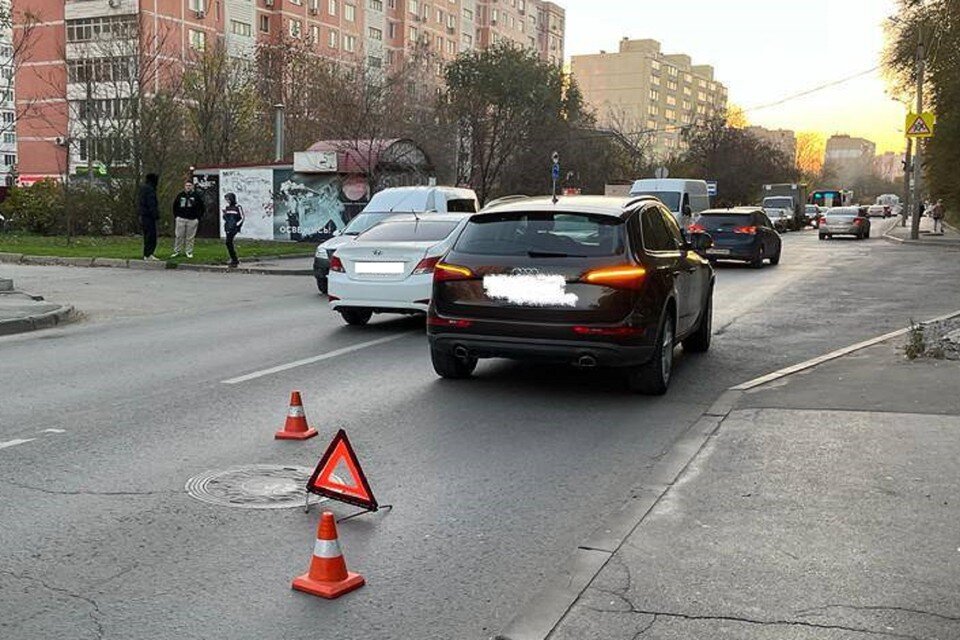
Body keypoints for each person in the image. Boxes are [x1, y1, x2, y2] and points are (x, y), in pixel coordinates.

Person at [171, 180, 205, 258]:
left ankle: (189, 251)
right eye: (187, 185)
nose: (188, 187)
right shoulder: (180, 195)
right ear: (184, 186)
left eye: (190, 185)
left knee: (190, 237)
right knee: (179, 236)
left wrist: (198, 217)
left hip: (192, 219)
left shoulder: (196, 196)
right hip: (181, 219)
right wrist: (177, 216)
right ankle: (177, 251)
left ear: (192, 186)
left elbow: (202, 207)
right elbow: (175, 206)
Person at [138, 173, 160, 260]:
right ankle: (149, 253)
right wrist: (156, 214)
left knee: (147, 235)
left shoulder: (143, 189)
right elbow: (151, 204)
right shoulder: (150, 190)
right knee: (151, 235)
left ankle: (146, 254)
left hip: (143, 215)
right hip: (149, 216)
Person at [222, 192, 244, 268]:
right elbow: (225, 218)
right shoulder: (227, 207)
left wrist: (237, 226)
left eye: (228, 199)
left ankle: (234, 259)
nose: (227, 201)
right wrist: (224, 214)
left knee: (228, 242)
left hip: (234, 227)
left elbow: (242, 217)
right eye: (226, 199)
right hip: (228, 227)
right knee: (228, 243)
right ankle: (234, 258)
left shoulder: (238, 207)